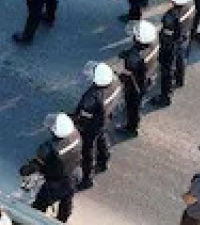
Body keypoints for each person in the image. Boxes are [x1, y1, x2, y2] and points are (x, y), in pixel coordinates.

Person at [17, 113, 80, 223]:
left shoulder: (48, 148)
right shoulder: (76, 135)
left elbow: (34, 166)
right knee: (67, 200)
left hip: (56, 184)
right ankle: (62, 220)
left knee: (39, 205)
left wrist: (24, 170)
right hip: (75, 173)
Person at [72, 62, 118, 190]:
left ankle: (87, 178)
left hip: (92, 125)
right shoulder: (114, 83)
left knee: (88, 150)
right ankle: (104, 160)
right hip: (104, 118)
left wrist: (74, 119)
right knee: (102, 137)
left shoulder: (92, 96)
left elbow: (83, 115)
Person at [150, 0, 195, 108]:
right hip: (184, 38)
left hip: (172, 45)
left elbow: (167, 36)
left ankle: (165, 97)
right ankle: (180, 80)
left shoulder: (170, 16)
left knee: (167, 70)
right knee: (181, 60)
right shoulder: (191, 3)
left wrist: (160, 46)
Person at [117, 20, 158, 137]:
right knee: (137, 101)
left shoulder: (134, 58)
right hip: (149, 76)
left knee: (133, 105)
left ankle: (132, 128)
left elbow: (126, 74)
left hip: (135, 85)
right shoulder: (153, 43)